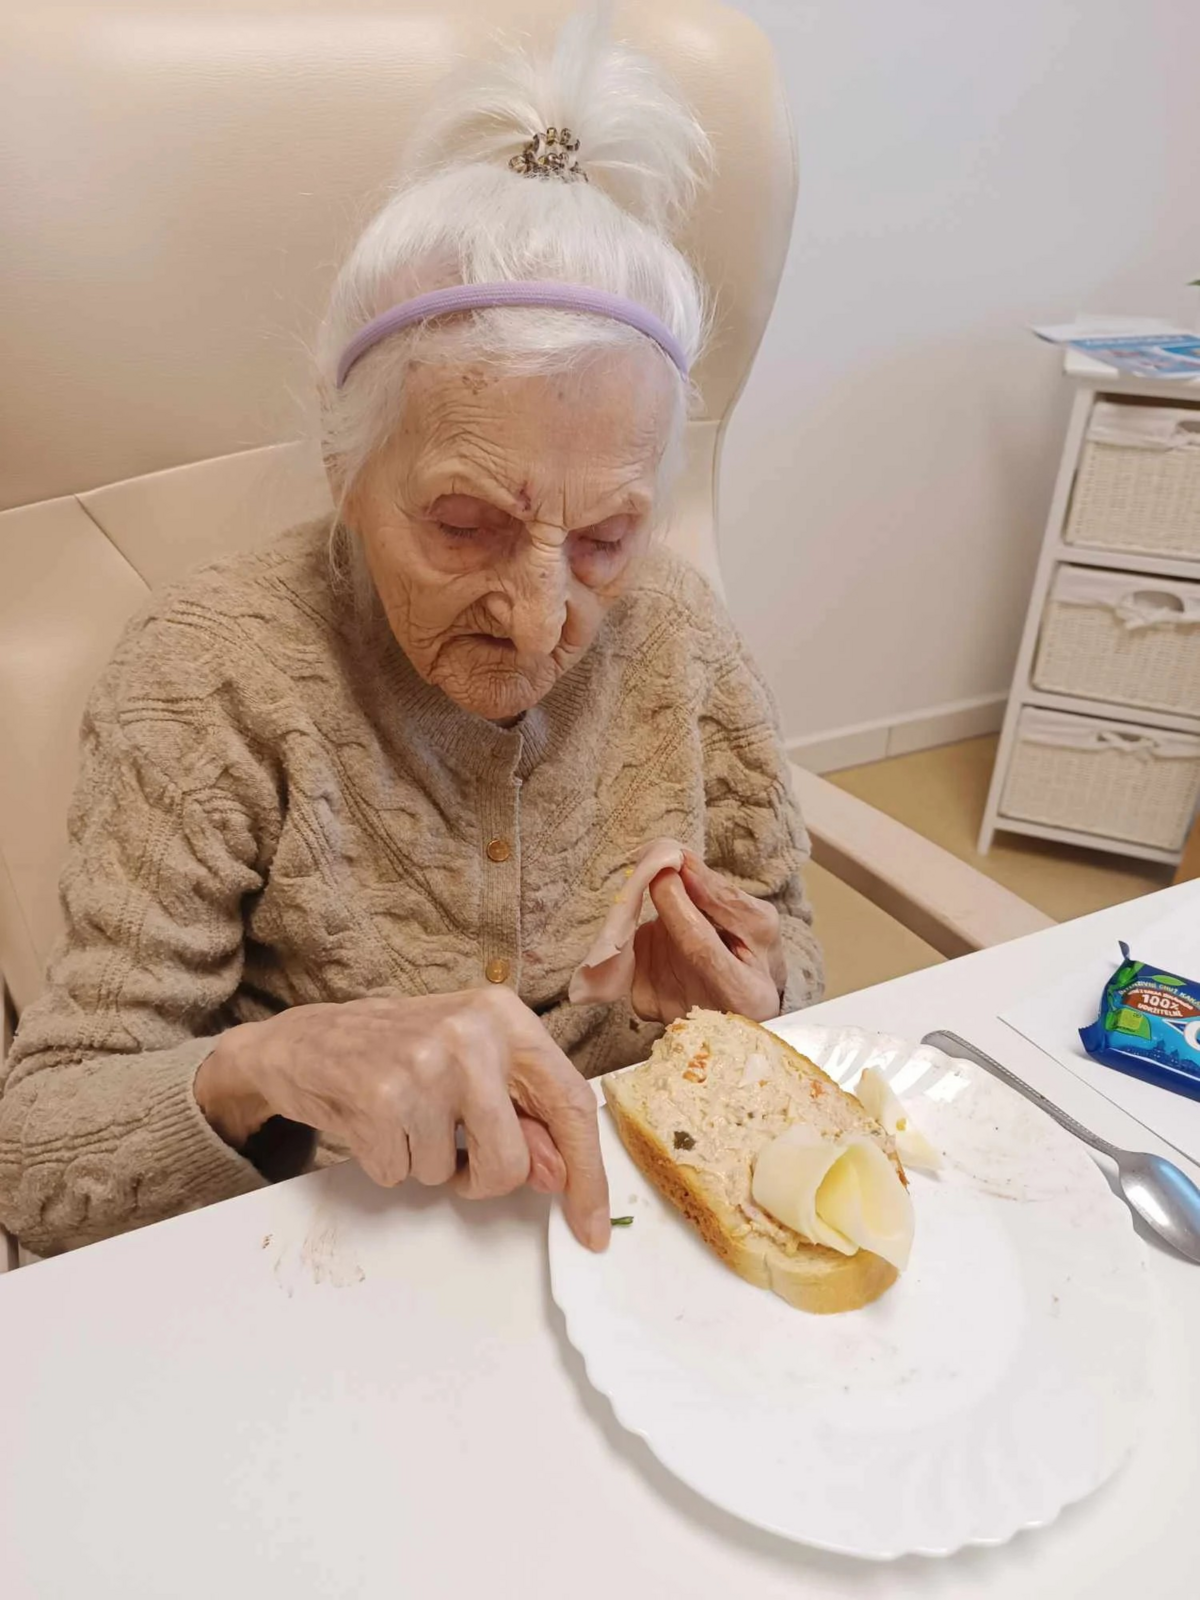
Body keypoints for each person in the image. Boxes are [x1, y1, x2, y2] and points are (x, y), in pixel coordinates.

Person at [0, 14, 822, 1259]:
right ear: (348, 467)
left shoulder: (683, 638)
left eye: (607, 538)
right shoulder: (212, 673)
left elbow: (793, 947)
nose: (540, 620)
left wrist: (762, 996)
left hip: (637, 1246)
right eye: (465, 524)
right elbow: (37, 1154)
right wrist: (270, 1062)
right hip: (324, 1266)